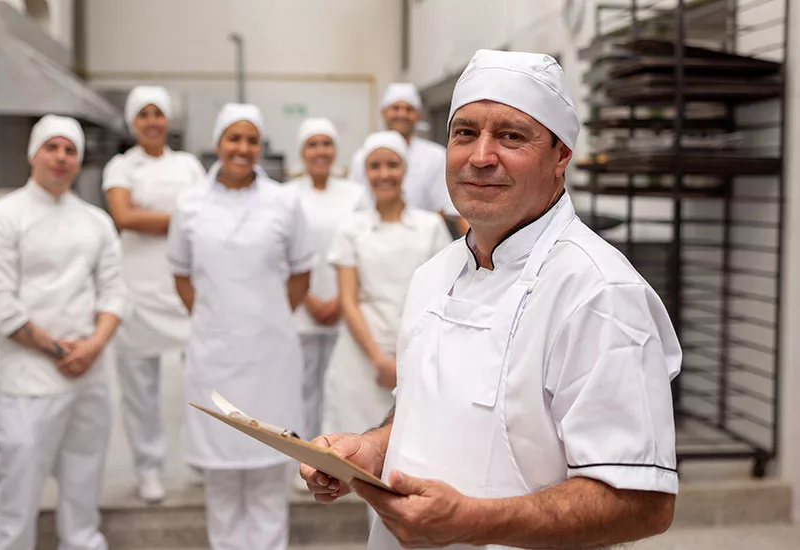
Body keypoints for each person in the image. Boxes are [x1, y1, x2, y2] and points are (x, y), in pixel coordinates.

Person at [301, 50, 682, 550]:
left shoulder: (598, 291)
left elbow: (642, 502)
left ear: (561, 155)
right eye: (464, 133)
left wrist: (472, 522)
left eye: (511, 136)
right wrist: (370, 449)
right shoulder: (433, 275)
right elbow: (424, 409)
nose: (480, 156)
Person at [0, 115, 126, 550]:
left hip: (88, 378)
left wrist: (91, 348)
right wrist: (58, 350)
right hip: (28, 382)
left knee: (84, 486)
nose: (60, 157)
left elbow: (114, 293)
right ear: (33, 153)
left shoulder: (96, 222)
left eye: (70, 149)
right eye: (51, 147)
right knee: (15, 493)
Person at [168, 103, 315, 550]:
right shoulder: (189, 203)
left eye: (251, 140)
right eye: (234, 138)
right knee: (221, 479)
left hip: (271, 355)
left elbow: (301, 275)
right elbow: (181, 274)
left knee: (270, 471)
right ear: (217, 143)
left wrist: (263, 318)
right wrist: (219, 319)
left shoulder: (285, 202)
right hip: (214, 354)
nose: (243, 148)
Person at [102, 85, 205, 503]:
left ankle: (203, 458)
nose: (151, 122)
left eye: (157, 114)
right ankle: (148, 467)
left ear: (168, 121)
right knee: (139, 387)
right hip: (138, 288)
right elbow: (123, 216)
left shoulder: (189, 166)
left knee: (201, 379)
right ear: (132, 123)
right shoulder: (121, 167)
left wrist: (157, 219)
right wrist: (181, 219)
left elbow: (206, 214)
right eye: (143, 115)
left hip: (187, 284)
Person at [323, 130, 451, 439]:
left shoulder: (430, 227)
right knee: (352, 452)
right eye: (375, 166)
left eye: (392, 165)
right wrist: (379, 361)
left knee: (408, 452)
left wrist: (405, 361)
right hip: (359, 359)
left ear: (405, 170)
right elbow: (349, 302)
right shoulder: (351, 229)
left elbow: (445, 296)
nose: (384, 174)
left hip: (418, 355)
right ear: (364, 172)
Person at [285, 118, 366, 444]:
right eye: (312, 144)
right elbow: (282, 253)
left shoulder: (356, 195)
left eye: (326, 144)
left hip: (345, 306)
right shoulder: (286, 195)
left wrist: (340, 299)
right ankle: (304, 455)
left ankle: (336, 456)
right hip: (300, 306)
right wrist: (306, 297)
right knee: (300, 386)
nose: (320, 151)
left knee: (341, 387)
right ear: (302, 152)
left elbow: (364, 249)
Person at [348, 83, 467, 235]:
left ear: (418, 115)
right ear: (384, 112)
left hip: (423, 238)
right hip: (369, 236)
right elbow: (356, 204)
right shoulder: (363, 156)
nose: (402, 114)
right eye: (396, 108)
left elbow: (445, 208)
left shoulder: (436, 156)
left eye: (409, 109)